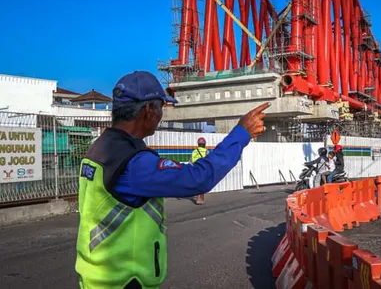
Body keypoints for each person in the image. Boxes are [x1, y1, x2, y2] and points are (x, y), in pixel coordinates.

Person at [74, 70, 270, 289]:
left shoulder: (101, 149)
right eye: (161, 107)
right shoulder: (133, 163)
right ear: (149, 109)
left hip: (96, 277)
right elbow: (198, 178)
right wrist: (241, 134)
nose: (161, 115)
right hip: (125, 281)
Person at [191, 137, 208, 205]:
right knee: (203, 184)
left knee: (197, 184)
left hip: (196, 169)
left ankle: (198, 199)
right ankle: (201, 199)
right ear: (204, 144)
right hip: (203, 169)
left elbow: (192, 161)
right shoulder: (206, 151)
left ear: (198, 144)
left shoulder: (194, 151)